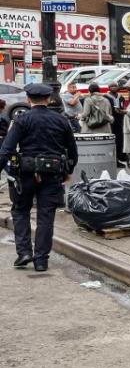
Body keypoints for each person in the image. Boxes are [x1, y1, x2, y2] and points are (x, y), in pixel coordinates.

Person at [0, 83, 78, 272]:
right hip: (52, 175)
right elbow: (72, 151)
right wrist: (68, 170)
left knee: (20, 211)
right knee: (46, 216)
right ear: (49, 99)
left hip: (25, 173)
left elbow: (6, 149)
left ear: (28, 99)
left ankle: (24, 252)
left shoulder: (22, 120)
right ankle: (41, 260)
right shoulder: (61, 120)